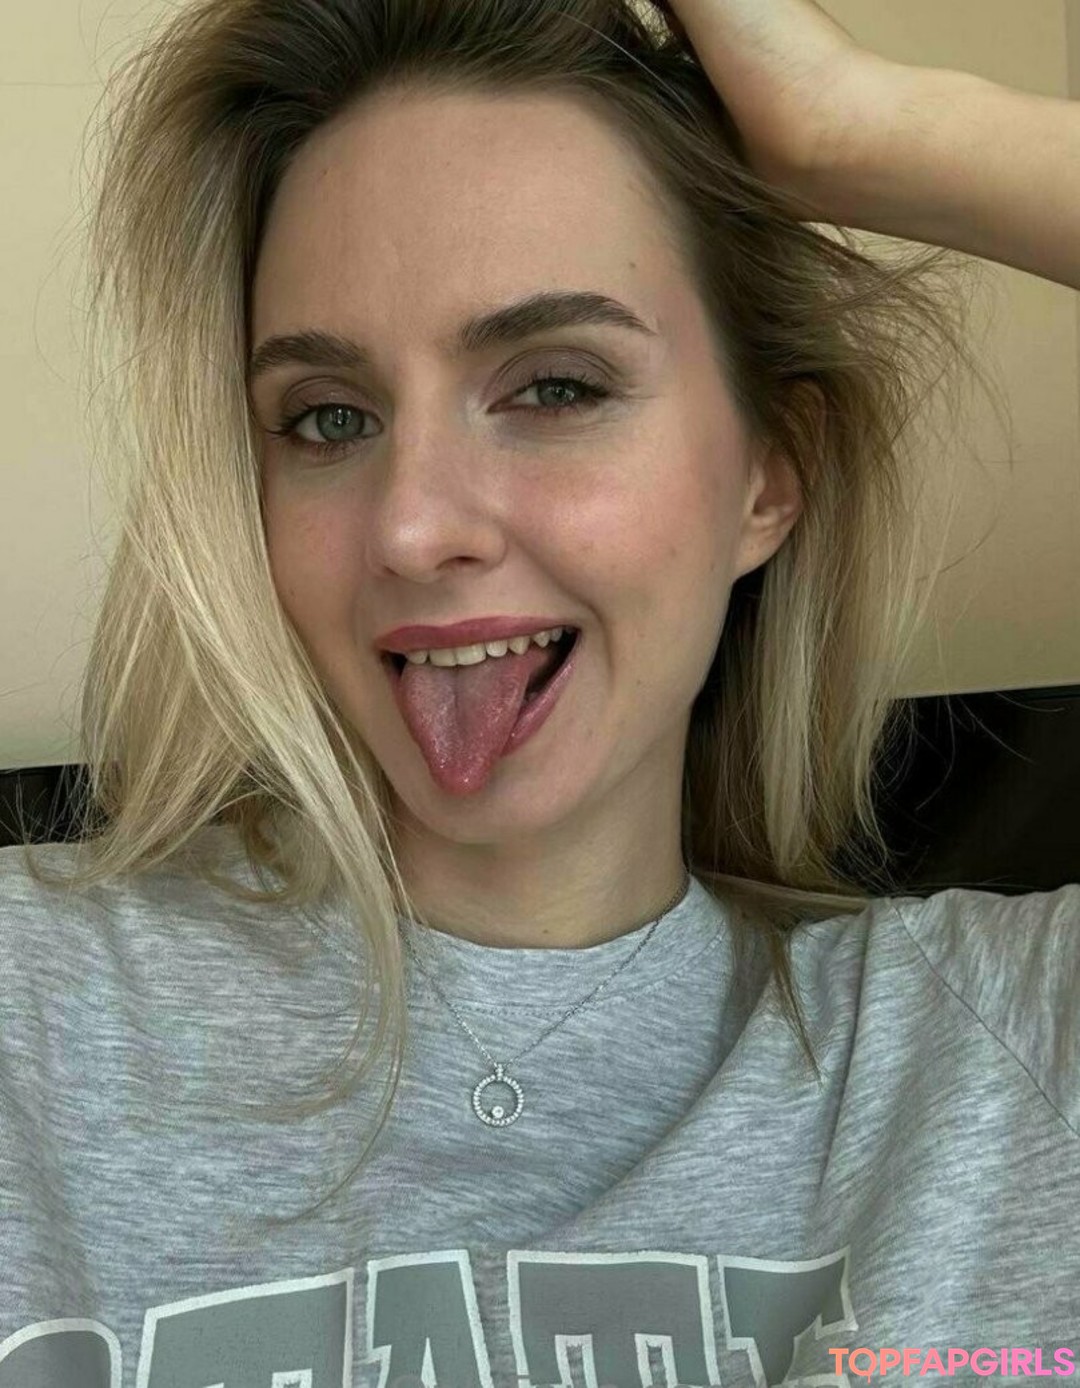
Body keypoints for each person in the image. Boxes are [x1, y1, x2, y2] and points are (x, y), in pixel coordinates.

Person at [1, 0, 1077, 1384]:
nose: (412, 527)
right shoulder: (32, 1009)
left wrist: (867, 130)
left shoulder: (998, 1049)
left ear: (770, 473)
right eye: (327, 416)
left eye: (557, 388)